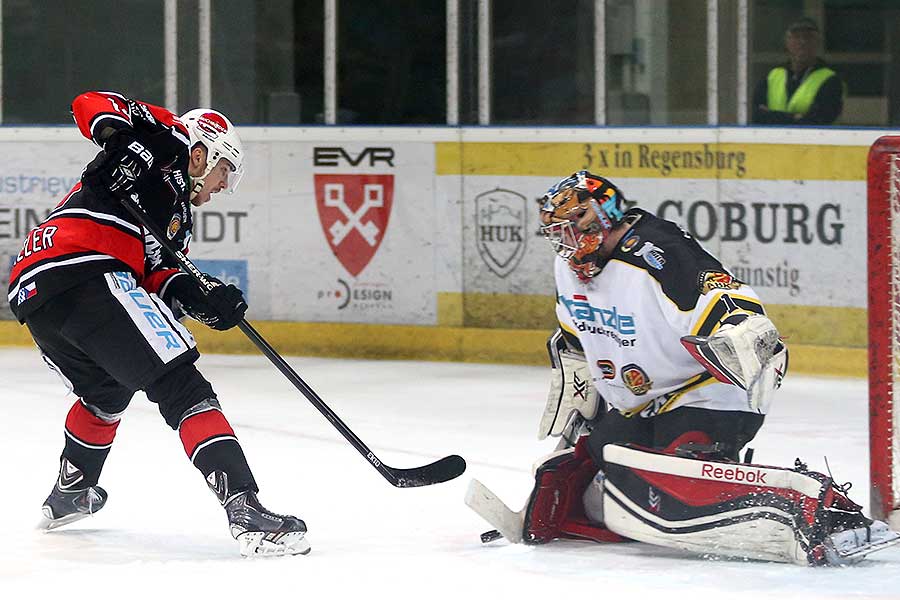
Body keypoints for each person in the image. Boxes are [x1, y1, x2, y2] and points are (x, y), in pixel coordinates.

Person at [469, 171, 899, 565]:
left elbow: (724, 298)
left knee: (674, 492)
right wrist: (583, 422)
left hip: (708, 395)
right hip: (644, 405)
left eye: (567, 229)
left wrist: (744, 332)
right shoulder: (569, 267)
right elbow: (579, 342)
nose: (561, 243)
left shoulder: (659, 251)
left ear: (597, 219)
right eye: (555, 233)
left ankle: (818, 511)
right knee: (605, 475)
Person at [7, 91, 309, 557]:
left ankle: (71, 492)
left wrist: (201, 297)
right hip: (87, 268)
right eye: (224, 173)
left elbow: (157, 277)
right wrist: (119, 137)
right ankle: (246, 508)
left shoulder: (175, 218)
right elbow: (89, 102)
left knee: (106, 391)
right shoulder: (167, 137)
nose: (222, 188)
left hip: (38, 290)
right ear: (203, 153)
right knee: (184, 389)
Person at [752, 17, 844, 125]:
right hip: (773, 141)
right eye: (796, 37)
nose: (802, 42)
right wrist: (795, 117)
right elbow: (755, 115)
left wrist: (773, 116)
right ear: (786, 42)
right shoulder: (772, 76)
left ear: (818, 42)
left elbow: (818, 121)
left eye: (808, 37)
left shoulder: (831, 80)